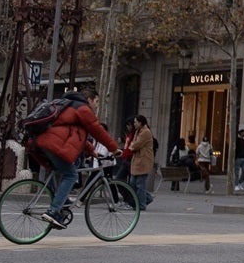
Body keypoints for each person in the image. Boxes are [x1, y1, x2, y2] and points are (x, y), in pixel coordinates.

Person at [29, 89, 118, 228]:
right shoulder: (82, 108)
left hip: (42, 142)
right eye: (97, 101)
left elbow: (75, 135)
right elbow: (97, 130)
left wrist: (92, 151)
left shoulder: (68, 105)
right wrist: (114, 148)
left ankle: (63, 202)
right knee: (71, 175)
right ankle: (53, 211)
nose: (97, 105)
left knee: (66, 169)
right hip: (52, 144)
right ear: (89, 99)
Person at [127, 114, 156, 210]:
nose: (134, 124)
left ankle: (142, 204)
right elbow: (133, 144)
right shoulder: (138, 132)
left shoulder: (145, 132)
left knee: (140, 184)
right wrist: (132, 146)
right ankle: (147, 198)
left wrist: (132, 146)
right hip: (137, 161)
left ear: (140, 122)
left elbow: (136, 145)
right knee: (133, 183)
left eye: (136, 122)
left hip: (143, 161)